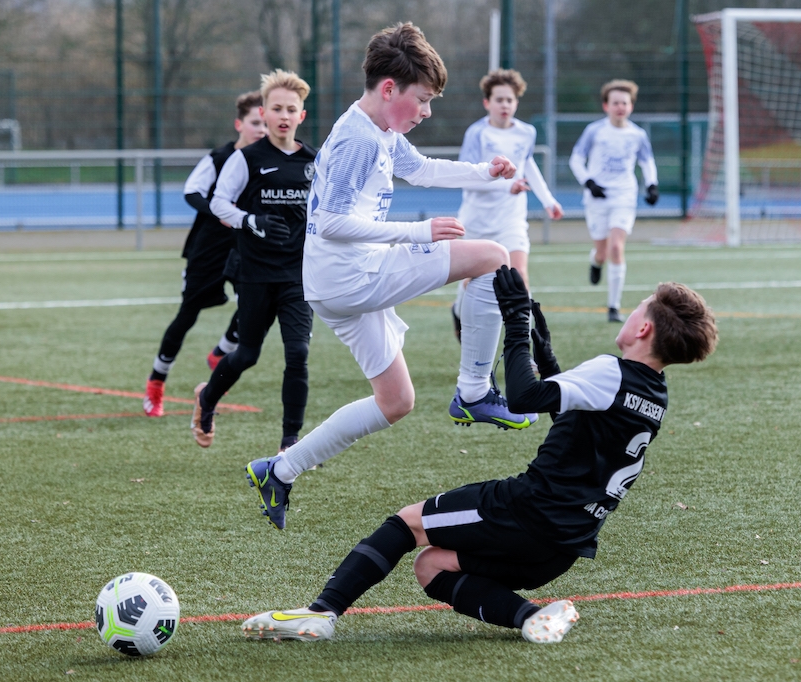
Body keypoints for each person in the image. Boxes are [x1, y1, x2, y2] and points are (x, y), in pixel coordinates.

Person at [241, 266, 718, 643]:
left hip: (526, 514)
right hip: (562, 547)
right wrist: (546, 356)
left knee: (407, 524)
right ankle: (532, 617)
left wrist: (516, 323)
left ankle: (322, 612)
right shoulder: (654, 392)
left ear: (643, 327)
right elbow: (573, 424)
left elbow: (524, 399)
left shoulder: (611, 371)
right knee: (432, 566)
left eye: (638, 308)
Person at [244, 22, 523, 531]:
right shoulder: (358, 139)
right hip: (353, 277)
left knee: (396, 401)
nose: (426, 112)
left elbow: (421, 170)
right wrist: (417, 231)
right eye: (423, 100)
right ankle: (474, 391)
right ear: (390, 89)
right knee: (495, 256)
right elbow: (328, 221)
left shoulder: (379, 130)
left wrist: (484, 172)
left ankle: (278, 471)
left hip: (336, 285)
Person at [190, 70, 316, 454]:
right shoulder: (246, 159)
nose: (283, 116)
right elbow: (218, 203)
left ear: (301, 116)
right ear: (263, 113)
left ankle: (290, 443)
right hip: (255, 273)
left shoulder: (315, 161)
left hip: (298, 275)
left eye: (290, 109)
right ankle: (207, 399)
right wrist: (251, 221)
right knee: (247, 354)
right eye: (276, 108)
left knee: (298, 353)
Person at [449, 68, 564, 428]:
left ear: (516, 102)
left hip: (512, 220)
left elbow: (529, 168)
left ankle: (522, 354)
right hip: (478, 219)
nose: (505, 105)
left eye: (510, 100)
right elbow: (468, 177)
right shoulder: (477, 133)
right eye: (498, 99)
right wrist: (505, 185)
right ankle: (459, 311)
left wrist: (548, 200)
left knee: (519, 276)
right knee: (473, 283)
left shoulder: (526, 132)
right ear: (487, 102)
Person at [143, 91, 266, 417]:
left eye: (266, 124)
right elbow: (191, 191)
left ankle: (221, 353)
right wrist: (219, 213)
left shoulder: (267, 160)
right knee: (187, 315)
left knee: (256, 307)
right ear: (239, 124)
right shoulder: (220, 157)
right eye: (256, 123)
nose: (262, 130)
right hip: (209, 247)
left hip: (246, 247)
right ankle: (156, 382)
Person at [569, 79, 658, 323]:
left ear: (631, 106)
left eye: (625, 103)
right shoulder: (594, 131)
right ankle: (595, 262)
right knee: (602, 252)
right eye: (615, 103)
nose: (620, 107)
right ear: (606, 106)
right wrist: (589, 182)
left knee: (616, 248)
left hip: (624, 196)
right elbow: (576, 159)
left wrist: (652, 185)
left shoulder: (637, 134)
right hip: (597, 197)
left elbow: (647, 162)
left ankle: (613, 307)